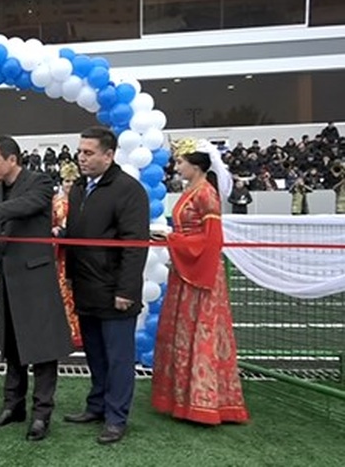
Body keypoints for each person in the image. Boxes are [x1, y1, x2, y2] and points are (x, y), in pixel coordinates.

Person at [0, 136, 73, 442]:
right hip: (7, 279)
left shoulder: (39, 182)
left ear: (12, 159)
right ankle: (13, 406)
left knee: (43, 349)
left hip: (35, 278)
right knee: (11, 346)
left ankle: (41, 414)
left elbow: (24, 207)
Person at [151, 138, 249, 425]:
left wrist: (171, 238)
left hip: (200, 272)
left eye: (181, 162)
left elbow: (211, 239)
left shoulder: (206, 193)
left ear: (196, 165)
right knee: (184, 331)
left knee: (200, 331)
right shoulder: (192, 190)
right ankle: (183, 398)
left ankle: (203, 402)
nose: (176, 167)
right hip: (185, 267)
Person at [62, 127, 149, 445]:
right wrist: (70, 273)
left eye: (88, 153)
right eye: (80, 151)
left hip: (115, 292)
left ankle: (116, 417)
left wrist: (126, 291)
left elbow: (134, 245)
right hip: (86, 287)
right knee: (95, 355)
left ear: (109, 155)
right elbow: (74, 235)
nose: (81, 158)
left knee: (118, 358)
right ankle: (96, 406)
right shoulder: (79, 188)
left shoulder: (129, 190)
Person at [51, 161, 82, 348]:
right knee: (64, 291)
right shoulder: (55, 202)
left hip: (80, 252)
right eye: (66, 180)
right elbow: (51, 224)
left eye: (72, 181)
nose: (69, 184)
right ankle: (67, 331)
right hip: (62, 254)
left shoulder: (85, 199)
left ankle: (80, 331)